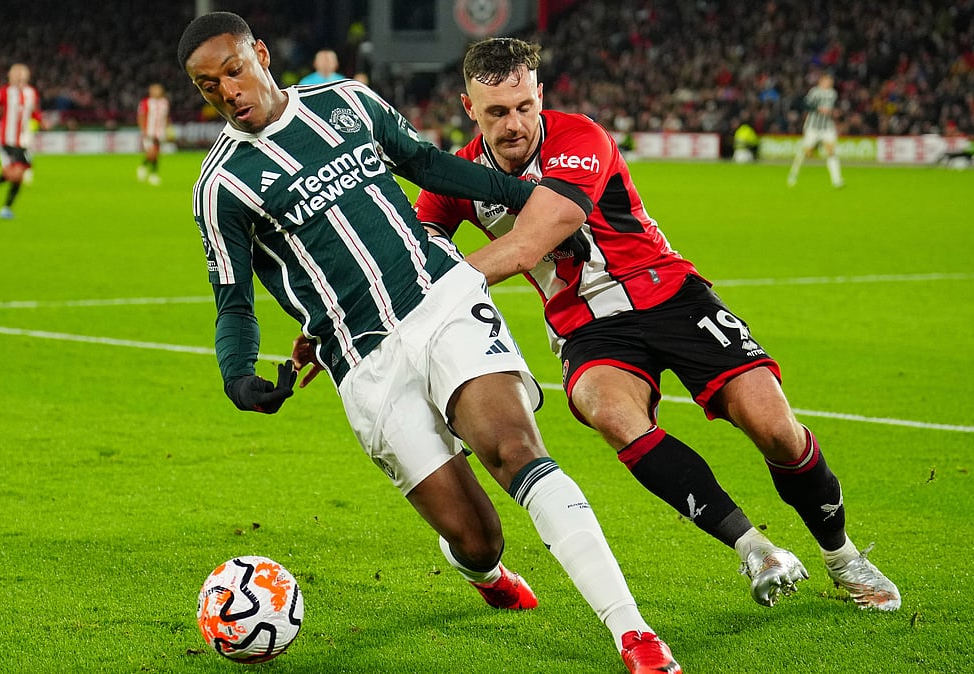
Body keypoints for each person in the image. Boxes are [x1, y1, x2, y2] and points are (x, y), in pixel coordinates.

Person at [177, 13, 680, 673]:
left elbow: (427, 165)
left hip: (442, 301)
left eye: (234, 71)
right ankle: (483, 571)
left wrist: (518, 192)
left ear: (261, 55)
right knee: (479, 536)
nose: (228, 91)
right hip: (362, 362)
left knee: (516, 451)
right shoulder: (220, 186)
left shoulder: (349, 102)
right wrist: (237, 375)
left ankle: (634, 635)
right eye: (209, 86)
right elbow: (233, 298)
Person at [413, 37, 900, 612]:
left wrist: (435, 286)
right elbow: (417, 250)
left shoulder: (580, 139)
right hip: (586, 325)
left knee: (775, 428)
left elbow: (525, 246)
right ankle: (755, 549)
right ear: (469, 108)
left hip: (669, 294)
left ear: (540, 94)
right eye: (497, 112)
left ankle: (842, 556)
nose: (515, 124)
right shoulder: (460, 174)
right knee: (610, 412)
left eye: (524, 106)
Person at [0, 63, 43, 219]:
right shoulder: (3, 92)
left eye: (23, 77)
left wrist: (41, 121)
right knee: (15, 174)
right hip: (8, 139)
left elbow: (33, 112)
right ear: (12, 77)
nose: (20, 80)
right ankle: (1, 201)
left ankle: (0, 199)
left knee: (18, 175)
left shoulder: (31, 93)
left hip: (23, 141)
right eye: (17, 77)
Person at [787, 74, 844, 188]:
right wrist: (818, 109)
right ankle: (793, 174)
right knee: (805, 151)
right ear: (821, 81)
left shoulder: (833, 93)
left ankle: (837, 180)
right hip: (813, 127)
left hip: (827, 127)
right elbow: (805, 104)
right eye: (827, 81)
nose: (829, 83)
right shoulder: (814, 92)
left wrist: (835, 112)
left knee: (831, 152)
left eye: (830, 81)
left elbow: (834, 107)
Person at [136, 83, 170, 185]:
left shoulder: (164, 103)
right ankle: (151, 173)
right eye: (154, 90)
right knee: (151, 153)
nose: (156, 92)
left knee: (156, 154)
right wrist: (143, 130)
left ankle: (145, 169)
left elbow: (166, 117)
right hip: (149, 132)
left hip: (160, 132)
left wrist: (167, 129)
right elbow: (141, 116)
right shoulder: (145, 102)